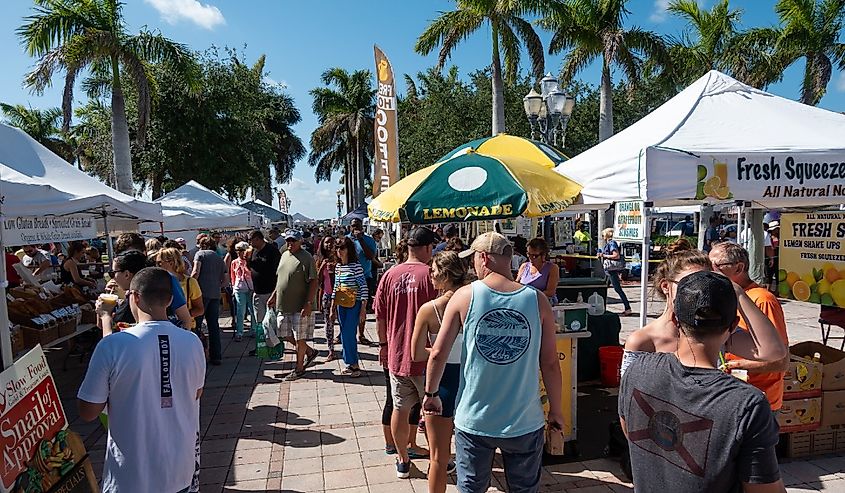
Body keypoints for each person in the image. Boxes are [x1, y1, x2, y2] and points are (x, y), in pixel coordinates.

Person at [424, 232, 564, 492]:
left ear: (484, 258)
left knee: (471, 488)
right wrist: (556, 410)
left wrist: (431, 393)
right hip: (524, 421)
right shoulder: (537, 300)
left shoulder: (464, 296)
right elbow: (550, 363)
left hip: (475, 420)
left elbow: (438, 352)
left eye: (474, 259)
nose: (472, 266)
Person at [619, 271, 784, 493]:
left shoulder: (638, 369)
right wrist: (739, 294)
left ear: (675, 319)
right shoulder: (747, 404)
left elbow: (630, 431)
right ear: (734, 325)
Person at [78, 267, 206, 493]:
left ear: (135, 297)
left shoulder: (112, 346)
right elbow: (196, 393)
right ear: (168, 300)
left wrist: (106, 319)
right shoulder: (193, 342)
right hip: (179, 471)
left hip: (130, 477)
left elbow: (88, 411)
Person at [622, 239, 788, 379]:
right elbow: (629, 400)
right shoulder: (642, 340)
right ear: (666, 286)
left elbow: (773, 352)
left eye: (708, 283)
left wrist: (737, 292)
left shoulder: (713, 331)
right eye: (689, 283)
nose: (701, 291)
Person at [375, 226, 439, 478]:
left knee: (400, 408)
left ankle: (402, 459)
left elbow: (378, 315)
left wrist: (382, 345)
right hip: (427, 357)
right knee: (433, 409)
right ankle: (438, 458)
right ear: (426, 248)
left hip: (397, 354)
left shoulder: (390, 275)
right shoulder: (432, 275)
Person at [411, 251, 467, 493]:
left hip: (440, 386)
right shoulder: (474, 301)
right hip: (471, 383)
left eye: (433, 271)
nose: (430, 276)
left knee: (438, 457)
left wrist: (440, 348)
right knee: (474, 457)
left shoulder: (428, 310)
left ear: (444, 276)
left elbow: (416, 354)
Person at [711, 242, 790, 412]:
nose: (711, 270)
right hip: (733, 396)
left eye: (716, 265)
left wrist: (736, 365)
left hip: (760, 401)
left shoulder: (762, 299)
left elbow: (781, 362)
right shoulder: (727, 297)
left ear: (739, 268)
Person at [268, 230, 319, 381]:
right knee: (282, 331)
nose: (290, 243)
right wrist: (274, 295)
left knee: (300, 337)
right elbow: (281, 278)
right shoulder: (284, 254)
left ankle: (299, 368)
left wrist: (308, 303)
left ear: (300, 242)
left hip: (301, 305)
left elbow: (314, 281)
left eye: (293, 241)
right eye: (288, 241)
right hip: (283, 304)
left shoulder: (306, 258)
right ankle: (310, 352)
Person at [329, 236, 368, 376]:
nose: (340, 251)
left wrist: (363, 308)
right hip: (341, 304)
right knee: (344, 334)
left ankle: (354, 363)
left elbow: (363, 287)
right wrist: (332, 309)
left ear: (349, 249)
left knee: (349, 334)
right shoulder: (338, 267)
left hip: (353, 303)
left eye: (343, 248)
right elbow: (336, 288)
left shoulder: (356, 266)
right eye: (338, 248)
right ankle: (349, 363)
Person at [192, 235, 227, 365]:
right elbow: (225, 281)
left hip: (201, 294)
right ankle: (216, 355)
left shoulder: (200, 254)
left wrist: (190, 283)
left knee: (196, 324)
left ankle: (197, 356)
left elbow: (196, 272)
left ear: (202, 245)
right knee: (213, 326)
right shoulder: (219, 258)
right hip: (215, 294)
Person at [97, 250, 149, 336]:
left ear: (127, 274)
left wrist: (105, 315)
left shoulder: (135, 301)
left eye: (113, 273)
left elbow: (109, 339)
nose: (112, 279)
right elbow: (100, 325)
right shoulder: (152, 294)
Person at [156, 248, 204, 331]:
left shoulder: (190, 282)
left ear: (171, 263)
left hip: (186, 328)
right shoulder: (157, 282)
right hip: (164, 328)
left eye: (160, 263)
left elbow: (200, 309)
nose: (157, 266)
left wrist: (182, 315)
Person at [349, 218, 379, 345]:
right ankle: (347, 333)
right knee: (348, 306)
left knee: (362, 307)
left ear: (362, 226)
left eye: (357, 225)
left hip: (365, 277)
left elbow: (370, 256)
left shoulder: (369, 240)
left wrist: (361, 239)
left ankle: (361, 334)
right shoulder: (347, 240)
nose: (355, 228)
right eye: (353, 226)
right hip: (349, 278)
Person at [248, 230, 282, 339]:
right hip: (257, 291)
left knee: (272, 320)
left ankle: (274, 343)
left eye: (251, 240)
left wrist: (275, 292)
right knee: (260, 321)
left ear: (258, 239)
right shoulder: (253, 251)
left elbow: (277, 271)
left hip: (270, 291)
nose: (250, 243)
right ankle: (262, 344)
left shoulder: (272, 251)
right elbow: (252, 266)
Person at [598, 228, 632, 316]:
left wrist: (604, 255)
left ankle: (627, 307)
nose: (602, 237)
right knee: (602, 287)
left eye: (603, 235)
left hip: (611, 270)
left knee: (617, 289)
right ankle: (602, 307)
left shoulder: (612, 243)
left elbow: (615, 255)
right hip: (608, 270)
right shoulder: (609, 243)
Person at [517, 237, 560, 305]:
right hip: (524, 304)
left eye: (534, 256)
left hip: (544, 305)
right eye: (528, 254)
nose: (530, 258)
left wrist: (529, 296)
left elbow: (550, 292)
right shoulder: (524, 266)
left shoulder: (552, 268)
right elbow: (516, 285)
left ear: (543, 255)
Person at [317, 236, 339, 360]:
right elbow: (318, 281)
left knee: (342, 322)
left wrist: (334, 268)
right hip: (327, 295)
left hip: (340, 297)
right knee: (328, 324)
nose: (329, 245)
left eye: (331, 242)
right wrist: (322, 267)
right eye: (326, 242)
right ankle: (331, 350)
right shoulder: (321, 260)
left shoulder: (339, 258)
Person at [230, 242, 255, 342]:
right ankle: (239, 332)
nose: (238, 253)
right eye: (237, 250)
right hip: (239, 288)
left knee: (253, 310)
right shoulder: (234, 262)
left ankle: (253, 329)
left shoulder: (250, 261)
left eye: (241, 250)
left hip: (251, 287)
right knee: (240, 310)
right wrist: (233, 287)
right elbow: (233, 275)